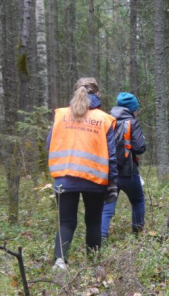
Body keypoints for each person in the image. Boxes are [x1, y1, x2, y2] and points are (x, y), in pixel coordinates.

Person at [46, 77, 118, 270]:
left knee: (66, 222)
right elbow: (111, 155)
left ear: (75, 92)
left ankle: (60, 263)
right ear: (97, 94)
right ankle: (94, 265)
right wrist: (112, 183)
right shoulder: (104, 119)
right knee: (93, 222)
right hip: (95, 180)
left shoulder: (61, 116)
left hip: (64, 177)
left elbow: (49, 144)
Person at [101, 92, 147, 239]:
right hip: (128, 173)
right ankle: (137, 235)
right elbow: (140, 147)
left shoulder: (106, 120)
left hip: (109, 172)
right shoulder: (132, 122)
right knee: (138, 201)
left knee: (107, 207)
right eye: (136, 108)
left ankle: (101, 239)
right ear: (132, 109)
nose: (137, 111)